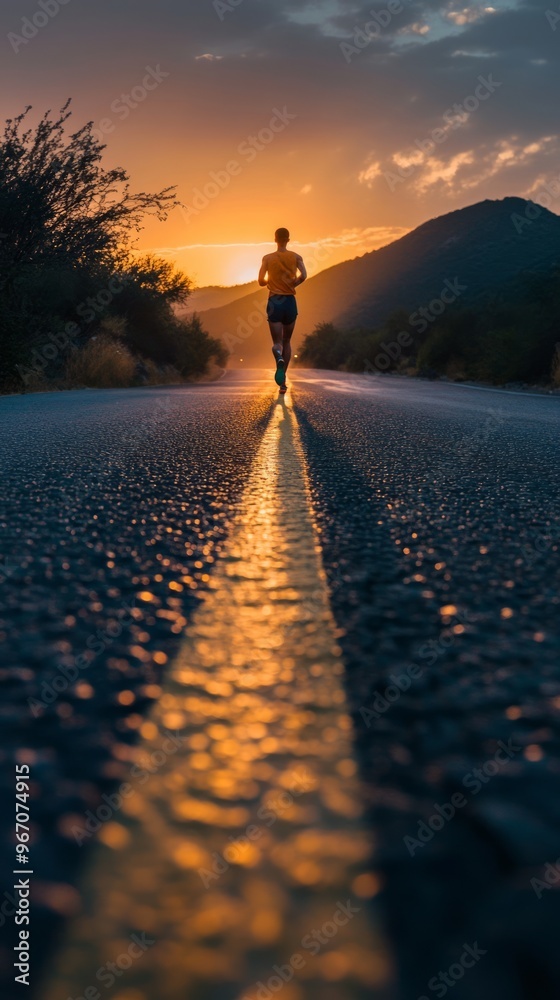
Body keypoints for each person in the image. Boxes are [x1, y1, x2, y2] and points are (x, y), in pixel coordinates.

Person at [258, 228, 307, 394]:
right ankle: (283, 381)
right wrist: (292, 284)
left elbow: (260, 281)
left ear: (275, 239)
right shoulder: (296, 257)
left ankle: (278, 356)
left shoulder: (267, 258)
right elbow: (304, 275)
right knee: (287, 341)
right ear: (288, 239)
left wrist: (270, 281)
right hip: (290, 302)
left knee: (277, 343)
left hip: (274, 302)